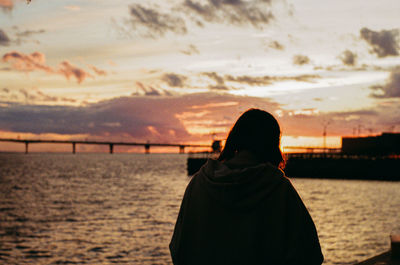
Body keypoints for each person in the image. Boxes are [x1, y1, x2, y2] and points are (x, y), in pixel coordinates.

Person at [169, 108, 324, 265]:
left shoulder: (199, 184)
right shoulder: (279, 189)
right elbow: (309, 254)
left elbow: (179, 248)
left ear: (235, 138)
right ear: (272, 144)